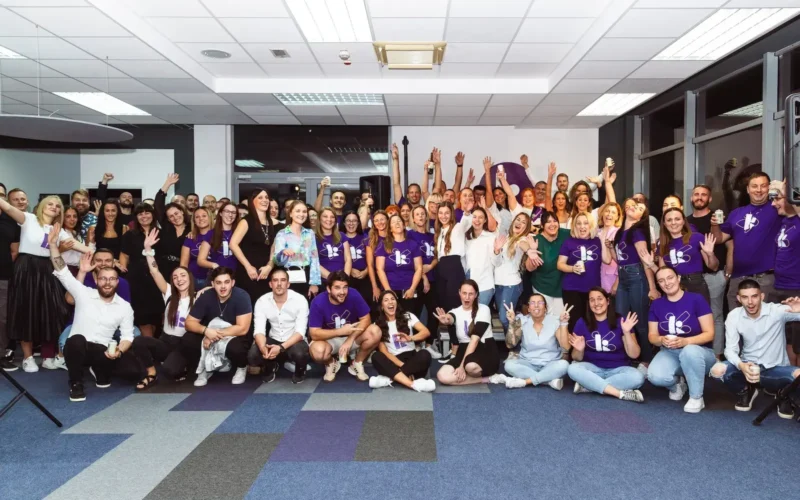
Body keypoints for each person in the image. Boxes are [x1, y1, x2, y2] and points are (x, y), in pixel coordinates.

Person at [48, 225, 138, 402]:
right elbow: (62, 271)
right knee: (75, 340)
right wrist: (52, 245)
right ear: (97, 281)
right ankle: (76, 383)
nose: (107, 283)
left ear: (117, 282)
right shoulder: (84, 293)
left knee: (134, 372)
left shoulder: (125, 307)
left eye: (111, 279)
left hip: (102, 351)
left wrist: (119, 350)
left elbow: (128, 336)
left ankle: (99, 370)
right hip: (78, 346)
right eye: (103, 278)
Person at [3, 195, 90, 372]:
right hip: (26, 269)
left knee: (51, 312)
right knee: (26, 312)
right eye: (50, 204)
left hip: (48, 269)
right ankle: (28, 358)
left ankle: (48, 358)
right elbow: (9, 208)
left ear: (59, 211)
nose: (54, 207)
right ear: (42, 206)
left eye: (57, 206)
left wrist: (107, 257)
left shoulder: (58, 230)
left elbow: (80, 246)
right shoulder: (28, 219)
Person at [710, 280, 800, 418]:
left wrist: (798, 309)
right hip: (749, 368)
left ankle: (783, 394)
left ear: (762, 296)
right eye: (745, 297)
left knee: (798, 375)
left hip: (776, 369)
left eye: (754, 296)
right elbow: (730, 350)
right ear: (739, 299)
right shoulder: (734, 315)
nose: (750, 302)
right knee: (717, 370)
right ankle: (746, 390)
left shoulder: (776, 311)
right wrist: (741, 365)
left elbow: (797, 314)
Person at [130, 229, 197, 390]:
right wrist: (148, 249)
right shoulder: (168, 294)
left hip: (184, 345)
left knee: (170, 371)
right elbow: (154, 271)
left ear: (190, 278)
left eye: (183, 276)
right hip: (166, 342)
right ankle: (151, 373)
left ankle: (187, 365)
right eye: (175, 277)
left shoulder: (198, 299)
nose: (179, 280)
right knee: (139, 341)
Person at [647, 267, 716, 413]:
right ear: (658, 284)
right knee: (654, 376)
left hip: (699, 352)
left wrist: (686, 341)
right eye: (661, 281)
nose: (667, 283)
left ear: (678, 278)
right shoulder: (656, 304)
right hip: (670, 352)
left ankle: (696, 397)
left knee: (689, 351)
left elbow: (709, 334)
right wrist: (661, 339)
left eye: (670, 278)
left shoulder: (696, 299)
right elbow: (652, 336)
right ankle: (678, 384)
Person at [711, 173, 782, 310]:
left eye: (763, 186)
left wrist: (782, 189)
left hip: (765, 279)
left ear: (769, 189)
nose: (759, 190)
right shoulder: (736, 213)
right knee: (736, 320)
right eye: (754, 186)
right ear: (748, 189)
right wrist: (714, 224)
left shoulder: (777, 209)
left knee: (765, 320)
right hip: (738, 278)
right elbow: (719, 239)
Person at [566, 287, 645, 402]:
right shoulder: (582, 322)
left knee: (638, 377)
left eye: (600, 299)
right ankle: (618, 393)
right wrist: (580, 349)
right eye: (592, 300)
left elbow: (634, 355)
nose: (596, 303)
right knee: (572, 368)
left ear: (607, 301)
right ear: (589, 304)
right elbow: (576, 358)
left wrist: (627, 332)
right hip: (592, 369)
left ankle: (589, 385)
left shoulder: (621, 321)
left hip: (618, 369)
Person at [183, 266, 252, 387]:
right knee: (188, 339)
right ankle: (206, 367)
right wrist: (205, 331)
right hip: (210, 332)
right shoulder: (206, 296)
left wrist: (213, 336)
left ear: (232, 283)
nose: (223, 286)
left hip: (234, 335)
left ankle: (241, 367)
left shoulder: (241, 296)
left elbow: (242, 328)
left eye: (226, 282)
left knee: (237, 348)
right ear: (213, 284)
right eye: (219, 283)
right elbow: (189, 323)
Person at [609, 198, 658, 364]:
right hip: (623, 276)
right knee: (622, 319)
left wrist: (652, 287)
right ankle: (627, 358)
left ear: (641, 217)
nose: (634, 208)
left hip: (637, 276)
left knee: (640, 321)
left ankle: (647, 361)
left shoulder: (637, 232)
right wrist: (611, 247)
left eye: (639, 208)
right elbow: (620, 259)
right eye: (633, 205)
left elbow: (646, 261)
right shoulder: (620, 232)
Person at [434, 280, 504, 386]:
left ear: (476, 295)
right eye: (464, 293)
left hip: (485, 350)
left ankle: (471, 372)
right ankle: (487, 379)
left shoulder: (484, 309)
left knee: (470, 366)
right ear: (459, 293)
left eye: (471, 294)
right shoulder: (455, 311)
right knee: (442, 376)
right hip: (463, 351)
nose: (467, 297)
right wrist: (446, 319)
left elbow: (474, 340)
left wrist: (462, 366)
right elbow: (450, 318)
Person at [308, 271, 375, 382]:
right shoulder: (318, 302)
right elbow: (314, 333)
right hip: (329, 339)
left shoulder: (353, 294)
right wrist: (340, 331)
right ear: (328, 289)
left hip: (351, 336)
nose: (342, 292)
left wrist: (350, 339)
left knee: (375, 331)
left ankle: (357, 363)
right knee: (317, 352)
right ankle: (331, 363)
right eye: (337, 288)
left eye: (345, 287)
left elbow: (366, 319)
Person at [686, 184, 728, 357]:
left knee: (715, 316)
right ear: (691, 198)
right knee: (694, 316)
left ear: (710, 199)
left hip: (713, 275)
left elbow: (730, 244)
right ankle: (698, 354)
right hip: (691, 278)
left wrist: (728, 271)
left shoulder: (718, 218)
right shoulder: (685, 222)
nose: (699, 197)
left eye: (704, 195)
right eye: (696, 194)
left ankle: (716, 356)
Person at [248, 267, 311, 384]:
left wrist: (281, 348)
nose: (279, 284)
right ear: (270, 284)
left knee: (300, 353)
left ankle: (300, 370)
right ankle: (270, 365)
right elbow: (259, 330)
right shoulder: (262, 301)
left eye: (283, 280)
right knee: (253, 355)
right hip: (274, 338)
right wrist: (263, 348)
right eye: (275, 280)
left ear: (288, 284)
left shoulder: (300, 300)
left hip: (294, 340)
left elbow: (300, 332)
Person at [367, 290, 436, 392]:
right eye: (386, 300)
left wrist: (411, 338)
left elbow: (426, 332)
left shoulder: (408, 316)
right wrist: (403, 366)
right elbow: (384, 352)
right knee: (376, 356)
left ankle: (391, 379)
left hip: (412, 359)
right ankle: (412, 384)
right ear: (381, 306)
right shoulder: (377, 325)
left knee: (425, 354)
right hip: (393, 360)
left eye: (392, 299)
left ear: (396, 302)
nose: (390, 302)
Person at [503, 295, 570, 390]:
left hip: (551, 363)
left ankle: (526, 381)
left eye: (540, 302)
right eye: (532, 303)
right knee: (509, 365)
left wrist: (564, 323)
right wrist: (512, 323)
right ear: (528, 308)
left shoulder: (555, 320)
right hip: (528, 363)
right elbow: (510, 344)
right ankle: (548, 381)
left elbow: (566, 347)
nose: (536, 305)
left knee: (564, 365)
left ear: (545, 308)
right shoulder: (522, 321)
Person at [655, 208, 717, 304]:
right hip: (674, 286)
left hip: (696, 284)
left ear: (683, 221)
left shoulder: (697, 237)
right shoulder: (662, 244)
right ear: (664, 224)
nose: (673, 223)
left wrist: (710, 254)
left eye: (677, 219)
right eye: (669, 220)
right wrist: (650, 265)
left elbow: (714, 267)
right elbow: (662, 272)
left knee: (701, 313)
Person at [119, 203, 163, 338]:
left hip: (157, 278)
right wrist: (123, 270)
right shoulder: (130, 235)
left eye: (147, 212)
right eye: (140, 213)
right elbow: (124, 254)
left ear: (153, 215)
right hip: (136, 279)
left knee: (156, 315)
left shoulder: (162, 233)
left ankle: (153, 344)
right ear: (136, 217)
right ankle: (148, 345)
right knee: (142, 316)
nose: (144, 216)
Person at [770, 180, 800, 366]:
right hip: (780, 286)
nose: (773, 204)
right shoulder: (784, 222)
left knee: (798, 342)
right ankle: (791, 379)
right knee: (787, 339)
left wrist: (788, 191)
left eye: (778, 199)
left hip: (797, 288)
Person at [230, 189, 276, 306]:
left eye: (266, 197)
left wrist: (269, 266)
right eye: (260, 197)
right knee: (247, 306)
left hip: (265, 273)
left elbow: (273, 249)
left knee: (265, 306)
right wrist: (248, 266)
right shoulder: (246, 221)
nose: (265, 200)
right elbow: (233, 244)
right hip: (248, 273)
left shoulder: (272, 223)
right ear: (252, 201)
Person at [557, 212, 602, 332]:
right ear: (574, 226)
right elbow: (560, 264)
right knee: (574, 324)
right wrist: (572, 268)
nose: (582, 226)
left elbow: (607, 260)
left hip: (593, 289)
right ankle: (574, 344)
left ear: (591, 225)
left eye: (585, 223)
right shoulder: (569, 242)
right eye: (579, 223)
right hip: (572, 289)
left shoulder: (597, 241)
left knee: (592, 323)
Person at [408, 205, 440, 357]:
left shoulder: (432, 236)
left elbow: (437, 255)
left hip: (434, 279)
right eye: (417, 214)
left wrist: (431, 266)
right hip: (418, 280)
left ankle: (429, 344)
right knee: (414, 313)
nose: (420, 217)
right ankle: (415, 344)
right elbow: (411, 260)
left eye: (423, 214)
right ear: (413, 218)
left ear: (426, 217)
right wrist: (424, 277)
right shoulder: (410, 235)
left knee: (435, 312)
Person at [376, 214, 423, 315]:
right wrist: (388, 291)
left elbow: (419, 268)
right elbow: (380, 269)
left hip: (409, 290)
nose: (397, 223)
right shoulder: (383, 245)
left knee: (410, 319)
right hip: (391, 289)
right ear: (390, 228)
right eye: (393, 222)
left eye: (399, 221)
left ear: (404, 225)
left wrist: (412, 289)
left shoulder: (413, 244)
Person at [492, 212, 531, 334]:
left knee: (505, 318)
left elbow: (523, 245)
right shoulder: (506, 238)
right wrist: (497, 251)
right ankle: (512, 342)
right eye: (518, 219)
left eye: (523, 222)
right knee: (504, 317)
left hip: (511, 284)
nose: (519, 223)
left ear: (526, 228)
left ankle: (518, 342)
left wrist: (530, 251)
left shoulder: (522, 239)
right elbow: (497, 263)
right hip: (498, 283)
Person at [273, 200, 320, 300]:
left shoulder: (310, 233)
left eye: (304, 211)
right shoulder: (282, 234)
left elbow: (314, 259)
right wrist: (283, 253)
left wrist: (314, 283)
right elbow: (277, 261)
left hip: (306, 276)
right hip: (287, 276)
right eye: (298, 211)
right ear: (290, 213)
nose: (301, 214)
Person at [525, 211, 571, 313]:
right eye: (548, 222)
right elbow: (529, 268)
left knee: (561, 318)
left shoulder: (566, 234)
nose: (552, 224)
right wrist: (532, 252)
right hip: (542, 287)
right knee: (543, 317)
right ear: (542, 225)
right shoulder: (536, 241)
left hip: (560, 287)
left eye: (554, 221)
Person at [0, 182, 20, 371]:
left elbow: (14, 251)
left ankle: (1, 355)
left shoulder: (11, 220)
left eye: (1, 195)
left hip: (4, 276)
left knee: (3, 319)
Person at [154, 174, 190, 279]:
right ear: (168, 219)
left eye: (176, 213)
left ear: (182, 212)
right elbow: (158, 205)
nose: (175, 217)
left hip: (182, 269)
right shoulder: (167, 227)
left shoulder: (192, 228)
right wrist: (167, 184)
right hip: (163, 267)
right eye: (171, 216)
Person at [464, 206, 497, 306]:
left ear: (485, 220)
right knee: (469, 313)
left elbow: (497, 262)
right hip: (468, 283)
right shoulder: (466, 237)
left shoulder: (491, 237)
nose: (477, 220)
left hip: (485, 284)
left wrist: (497, 252)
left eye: (480, 217)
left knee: (480, 313)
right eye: (474, 217)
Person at [198, 201, 239, 274]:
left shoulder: (239, 233)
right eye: (227, 211)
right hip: (217, 275)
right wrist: (214, 265)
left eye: (233, 212)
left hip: (237, 275)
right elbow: (200, 260)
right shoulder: (211, 233)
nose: (230, 215)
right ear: (220, 213)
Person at [341, 210, 371, 304]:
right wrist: (350, 269)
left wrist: (366, 271)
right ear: (344, 223)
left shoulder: (365, 237)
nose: (351, 223)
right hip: (346, 275)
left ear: (358, 223)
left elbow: (372, 258)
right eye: (348, 220)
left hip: (365, 275)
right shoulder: (339, 238)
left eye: (354, 221)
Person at [316, 207, 352, 282]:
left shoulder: (342, 236)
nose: (329, 219)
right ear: (319, 219)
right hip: (324, 280)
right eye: (325, 216)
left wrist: (345, 278)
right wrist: (333, 279)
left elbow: (348, 259)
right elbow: (314, 263)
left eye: (332, 217)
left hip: (343, 280)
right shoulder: (313, 238)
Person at [181, 207, 212, 287]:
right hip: (193, 279)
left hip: (213, 280)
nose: (201, 219)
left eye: (204, 216)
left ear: (210, 218)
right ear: (194, 221)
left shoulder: (218, 236)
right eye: (197, 217)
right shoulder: (190, 237)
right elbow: (183, 264)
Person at [597, 202, 622, 296]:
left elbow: (608, 260)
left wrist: (617, 283)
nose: (609, 214)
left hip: (613, 280)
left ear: (617, 217)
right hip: (597, 278)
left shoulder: (619, 233)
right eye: (607, 211)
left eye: (613, 212)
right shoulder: (596, 232)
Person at [366, 210, 389, 302]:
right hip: (378, 278)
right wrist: (374, 286)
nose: (379, 222)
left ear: (387, 220)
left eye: (382, 219)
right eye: (376, 220)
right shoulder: (371, 241)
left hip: (393, 276)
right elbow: (370, 265)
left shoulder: (395, 237)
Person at [392, 142, 424, 208]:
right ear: (407, 195)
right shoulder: (403, 205)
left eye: (416, 192)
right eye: (411, 192)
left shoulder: (425, 209)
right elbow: (396, 184)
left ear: (420, 195)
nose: (414, 195)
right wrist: (395, 159)